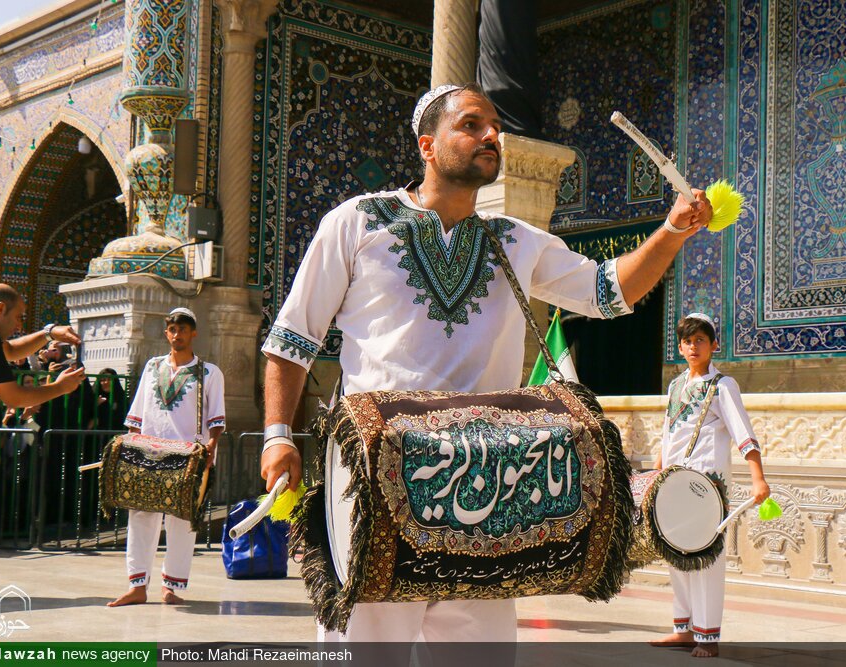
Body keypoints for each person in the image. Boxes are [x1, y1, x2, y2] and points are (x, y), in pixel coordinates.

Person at [258, 82, 712, 643]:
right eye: (471, 124)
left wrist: (672, 231)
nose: (491, 134)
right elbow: (292, 338)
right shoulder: (357, 223)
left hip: (489, 493)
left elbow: (608, 291)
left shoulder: (516, 241)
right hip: (376, 490)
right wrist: (276, 437)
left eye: (495, 126)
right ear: (427, 145)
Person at [649, 313, 769, 658]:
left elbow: (743, 432)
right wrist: (655, 473)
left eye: (700, 340)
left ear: (714, 345)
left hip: (707, 485)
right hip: (673, 483)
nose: (693, 347)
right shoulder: (675, 386)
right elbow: (668, 434)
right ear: (680, 347)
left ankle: (707, 635)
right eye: (687, 341)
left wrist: (758, 477)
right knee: (676, 553)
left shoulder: (723, 385)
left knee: (706, 558)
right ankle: (683, 630)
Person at [107, 307, 225, 607]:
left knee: (182, 522)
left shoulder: (209, 373)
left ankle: (170, 586)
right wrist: (128, 446)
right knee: (140, 516)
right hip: (147, 454)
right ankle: (137, 586)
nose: (177, 334)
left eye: (183, 329)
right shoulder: (152, 367)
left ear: (193, 333)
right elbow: (137, 414)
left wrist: (211, 447)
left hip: (187, 459)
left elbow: (216, 419)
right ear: (166, 332)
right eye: (172, 329)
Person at [0, 283, 85, 407]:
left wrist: (49, 333)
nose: (19, 327)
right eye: (18, 317)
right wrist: (60, 387)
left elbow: (10, 350)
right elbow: (15, 398)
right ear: (0, 309)